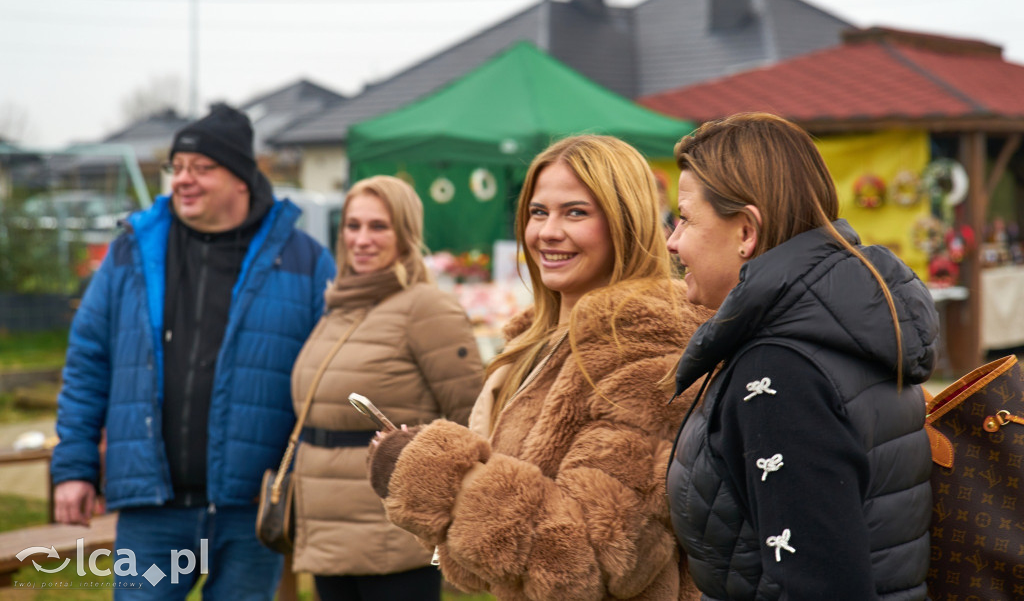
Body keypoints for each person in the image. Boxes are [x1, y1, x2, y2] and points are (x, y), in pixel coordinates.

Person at [367, 135, 713, 601]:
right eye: (537, 212)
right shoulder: (535, 344)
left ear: (625, 223)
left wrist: (434, 473)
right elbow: (494, 567)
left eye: (575, 212)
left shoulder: (646, 349)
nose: (547, 232)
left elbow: (590, 559)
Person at [51, 104, 336, 599]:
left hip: (249, 511)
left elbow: (329, 379)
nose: (183, 179)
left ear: (241, 178)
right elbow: (87, 362)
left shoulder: (304, 260)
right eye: (177, 167)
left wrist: (302, 478)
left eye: (201, 168)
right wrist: (75, 468)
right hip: (152, 512)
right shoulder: (132, 251)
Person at [665, 113, 938, 600]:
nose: (672, 240)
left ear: (746, 231)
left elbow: (819, 585)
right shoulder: (838, 330)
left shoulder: (777, 370)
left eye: (685, 218)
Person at [289, 175, 484, 601]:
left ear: (406, 234)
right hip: (328, 529)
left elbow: (471, 418)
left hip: (393, 534)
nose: (361, 239)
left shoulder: (425, 307)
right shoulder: (341, 305)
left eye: (378, 226)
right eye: (353, 225)